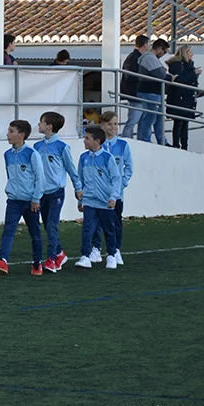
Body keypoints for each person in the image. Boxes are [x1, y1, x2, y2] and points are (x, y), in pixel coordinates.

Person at [0, 120, 44, 276]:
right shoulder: (7, 155)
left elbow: (40, 178)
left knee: (35, 232)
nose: (8, 134)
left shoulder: (32, 154)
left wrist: (36, 198)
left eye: (11, 131)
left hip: (30, 201)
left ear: (22, 135)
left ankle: (37, 263)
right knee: (8, 230)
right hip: (13, 200)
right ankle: (2, 261)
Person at [33, 112, 83, 273]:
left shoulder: (62, 147)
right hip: (41, 193)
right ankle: (60, 253)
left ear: (49, 126)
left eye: (41, 122)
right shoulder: (37, 147)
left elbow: (71, 169)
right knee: (47, 225)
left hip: (56, 192)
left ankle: (52, 259)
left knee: (52, 225)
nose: (38, 125)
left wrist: (78, 187)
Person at [74, 127, 121, 271]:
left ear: (97, 141)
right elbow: (80, 179)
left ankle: (112, 255)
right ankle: (86, 256)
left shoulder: (107, 158)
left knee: (109, 229)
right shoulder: (84, 157)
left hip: (105, 202)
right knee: (87, 229)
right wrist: (80, 200)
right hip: (89, 201)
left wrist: (113, 197)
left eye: (87, 138)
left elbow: (116, 179)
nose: (84, 141)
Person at [96, 111, 133, 266]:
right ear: (102, 125)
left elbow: (129, 168)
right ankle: (95, 249)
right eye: (110, 124)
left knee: (116, 222)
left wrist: (120, 186)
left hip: (116, 194)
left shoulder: (123, 145)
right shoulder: (98, 145)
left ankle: (116, 249)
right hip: (98, 193)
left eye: (116, 124)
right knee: (97, 222)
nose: (113, 127)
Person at [137, 38, 173, 145]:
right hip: (150, 92)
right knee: (150, 117)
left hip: (155, 92)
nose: (164, 54)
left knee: (158, 119)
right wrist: (170, 77)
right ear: (159, 49)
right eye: (164, 51)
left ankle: (162, 141)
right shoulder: (149, 58)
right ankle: (145, 140)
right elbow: (161, 75)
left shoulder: (149, 58)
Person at [166, 45, 201, 151]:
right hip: (179, 98)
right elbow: (179, 79)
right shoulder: (177, 65)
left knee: (185, 122)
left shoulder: (189, 65)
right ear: (185, 53)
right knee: (178, 122)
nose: (192, 54)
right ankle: (176, 145)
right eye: (190, 52)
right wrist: (193, 73)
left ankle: (185, 146)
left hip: (187, 98)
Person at [119, 35, 151, 139]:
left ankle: (136, 140)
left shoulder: (135, 57)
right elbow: (129, 76)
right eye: (148, 43)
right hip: (135, 94)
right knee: (134, 120)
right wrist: (144, 77)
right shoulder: (133, 57)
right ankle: (126, 139)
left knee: (139, 119)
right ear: (145, 44)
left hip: (136, 93)